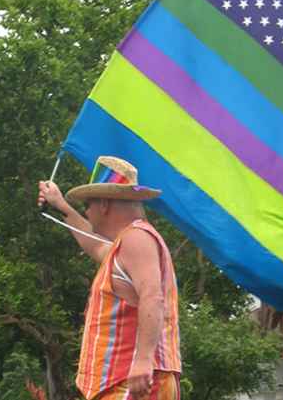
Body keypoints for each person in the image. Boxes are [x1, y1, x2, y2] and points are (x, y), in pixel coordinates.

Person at [38, 156, 181, 400]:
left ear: (103, 204)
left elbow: (152, 296)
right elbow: (95, 246)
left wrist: (143, 361)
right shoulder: (126, 243)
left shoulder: (136, 238)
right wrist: (60, 206)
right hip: (124, 383)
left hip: (135, 383)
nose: (87, 211)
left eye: (88, 205)